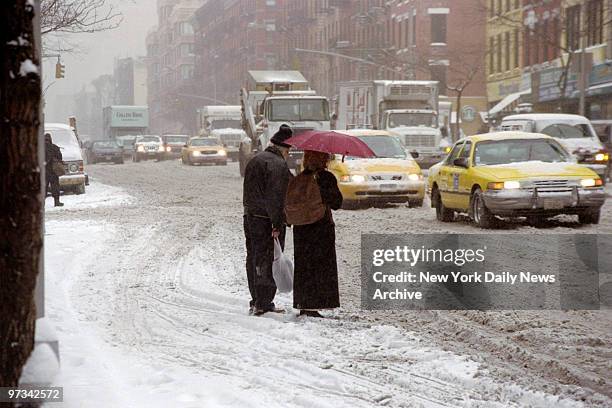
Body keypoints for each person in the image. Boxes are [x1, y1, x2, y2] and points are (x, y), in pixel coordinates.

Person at [243, 125, 293, 316]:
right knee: (269, 259)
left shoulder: (256, 160)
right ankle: (264, 302)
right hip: (266, 220)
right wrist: (277, 224)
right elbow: (276, 197)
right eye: (289, 152)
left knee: (254, 257)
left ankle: (256, 299)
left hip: (250, 216)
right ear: (285, 149)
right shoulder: (277, 165)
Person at [292, 150, 343, 317]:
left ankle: (303, 303)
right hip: (320, 228)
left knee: (303, 266)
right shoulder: (326, 178)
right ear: (324, 160)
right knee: (321, 267)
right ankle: (316, 303)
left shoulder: (300, 178)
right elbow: (337, 203)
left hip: (301, 228)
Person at [45, 133, 64, 207]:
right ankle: (56, 202)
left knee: (43, 188)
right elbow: (60, 157)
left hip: (44, 171)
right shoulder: (54, 147)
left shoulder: (40, 148)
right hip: (53, 171)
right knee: (55, 187)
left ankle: (41, 204)